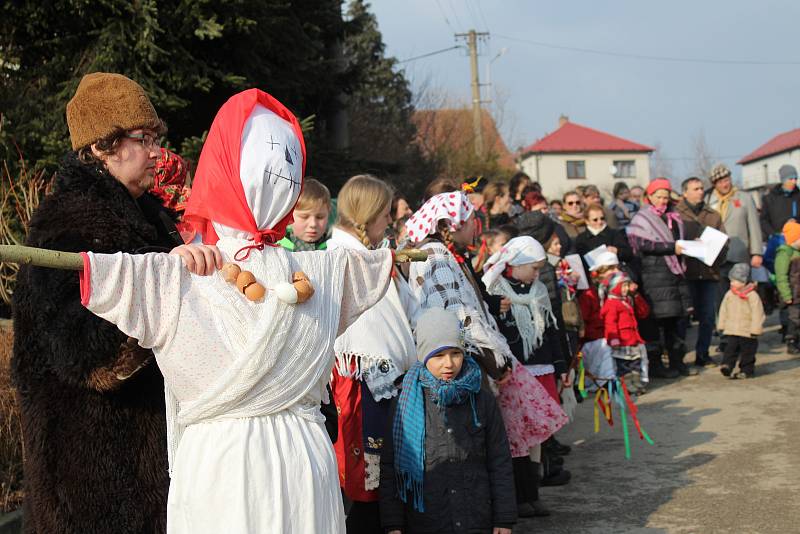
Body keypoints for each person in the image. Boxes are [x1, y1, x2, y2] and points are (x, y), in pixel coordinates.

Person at [79, 88, 400, 533]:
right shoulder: (321, 273)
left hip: (227, 465)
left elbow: (105, 281)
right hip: (292, 459)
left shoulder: (178, 274)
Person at [12, 72, 182, 533]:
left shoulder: (151, 218)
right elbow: (83, 351)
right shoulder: (66, 226)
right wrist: (162, 282)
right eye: (142, 139)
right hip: (90, 478)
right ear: (102, 146)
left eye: (155, 139)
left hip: (141, 470)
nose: (155, 152)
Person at [405, 192, 567, 491]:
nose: (476, 228)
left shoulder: (444, 254)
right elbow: (461, 316)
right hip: (462, 360)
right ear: (453, 224)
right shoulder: (437, 256)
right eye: (472, 221)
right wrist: (494, 359)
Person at [327, 175, 418, 533]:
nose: (390, 222)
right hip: (363, 384)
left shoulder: (370, 257)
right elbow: (360, 330)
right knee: (368, 486)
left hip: (386, 382)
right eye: (384, 214)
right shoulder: (343, 259)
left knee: (386, 482)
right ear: (367, 216)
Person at [379, 308, 516, 534]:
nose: (449, 364)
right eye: (438, 355)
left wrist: (504, 517)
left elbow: (499, 460)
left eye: (456, 353)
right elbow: (391, 467)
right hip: (426, 520)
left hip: (476, 517)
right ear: (423, 355)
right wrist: (393, 524)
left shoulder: (481, 399)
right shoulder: (406, 403)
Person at [482, 236, 570, 516]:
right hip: (514, 371)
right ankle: (519, 497)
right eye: (533, 267)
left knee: (537, 435)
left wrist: (561, 365)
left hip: (541, 368)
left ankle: (534, 491)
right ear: (516, 265)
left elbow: (554, 330)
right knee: (515, 435)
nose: (537, 274)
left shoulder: (540, 290)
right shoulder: (497, 292)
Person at [626, 178, 694, 377]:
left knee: (676, 322)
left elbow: (678, 241)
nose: (663, 201)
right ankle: (657, 366)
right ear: (650, 197)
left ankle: (677, 362)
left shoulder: (675, 217)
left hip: (675, 276)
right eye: (658, 196)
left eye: (665, 196)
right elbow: (642, 245)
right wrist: (671, 247)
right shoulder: (641, 218)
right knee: (657, 324)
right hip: (654, 276)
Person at [676, 177, 728, 366]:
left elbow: (724, 242)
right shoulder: (676, 214)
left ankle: (703, 354)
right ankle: (678, 357)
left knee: (707, 316)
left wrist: (715, 253)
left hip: (708, 273)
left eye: (701, 188)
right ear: (685, 192)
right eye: (696, 188)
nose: (700, 191)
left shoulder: (713, 215)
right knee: (683, 317)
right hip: (685, 273)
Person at [705, 163, 763, 308]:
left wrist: (756, 252)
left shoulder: (744, 197)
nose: (724, 184)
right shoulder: (708, 200)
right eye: (720, 182)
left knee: (742, 291)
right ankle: (722, 326)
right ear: (714, 184)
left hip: (739, 253)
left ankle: (744, 327)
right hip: (716, 255)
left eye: (726, 180)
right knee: (719, 295)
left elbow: (754, 226)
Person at [600, 271, 650, 393]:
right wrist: (614, 338)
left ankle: (636, 382)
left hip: (633, 339)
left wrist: (636, 295)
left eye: (627, 286)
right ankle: (627, 385)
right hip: (622, 341)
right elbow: (610, 323)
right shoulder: (611, 304)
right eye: (624, 286)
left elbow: (644, 312)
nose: (627, 289)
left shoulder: (627, 300)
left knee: (635, 363)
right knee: (624, 366)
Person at [578, 252, 622, 386]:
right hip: (595, 339)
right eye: (611, 268)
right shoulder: (589, 294)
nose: (616, 272)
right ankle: (606, 382)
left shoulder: (620, 291)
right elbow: (584, 321)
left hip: (617, 335)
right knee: (605, 345)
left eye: (617, 268)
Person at [717, 263, 765, 378]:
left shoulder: (752, 295)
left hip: (748, 330)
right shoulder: (729, 294)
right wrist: (721, 324)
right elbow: (723, 310)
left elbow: (758, 313)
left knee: (748, 352)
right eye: (731, 280)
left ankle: (746, 370)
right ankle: (727, 365)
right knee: (730, 349)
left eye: (735, 281)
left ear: (744, 282)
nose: (732, 283)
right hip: (732, 329)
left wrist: (755, 329)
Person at [278, 178, 332, 251]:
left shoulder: (335, 247)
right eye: (304, 217)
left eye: (320, 217)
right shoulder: (277, 246)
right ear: (289, 215)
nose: (313, 224)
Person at [775, 221, 800, 353]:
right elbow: (781, 276)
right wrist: (786, 295)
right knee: (793, 319)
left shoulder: (797, 252)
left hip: (798, 292)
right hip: (792, 293)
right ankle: (791, 341)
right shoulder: (785, 254)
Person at [760, 164, 800, 238]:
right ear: (783, 180)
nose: (794, 182)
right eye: (791, 179)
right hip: (777, 240)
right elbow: (763, 221)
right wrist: (774, 234)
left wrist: (796, 221)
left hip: (797, 239)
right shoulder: (769, 199)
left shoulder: (798, 196)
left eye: (796, 179)